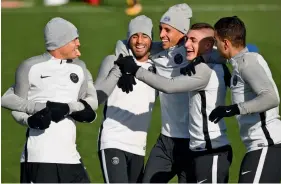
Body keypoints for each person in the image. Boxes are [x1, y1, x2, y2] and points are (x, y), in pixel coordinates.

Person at [115, 22, 233, 183]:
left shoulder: (206, 70)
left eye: (193, 40)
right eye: (187, 39)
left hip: (208, 149)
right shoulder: (197, 61)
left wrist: (135, 70)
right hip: (184, 145)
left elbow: (169, 86)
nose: (187, 44)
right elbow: (124, 44)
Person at [1, 17, 99, 183]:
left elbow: (90, 103)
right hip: (39, 157)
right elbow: (9, 101)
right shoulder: (30, 67)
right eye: (74, 39)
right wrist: (31, 118)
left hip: (71, 158)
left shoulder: (80, 68)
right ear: (61, 42)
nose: (78, 43)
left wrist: (68, 108)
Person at [115, 3, 196, 183]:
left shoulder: (196, 53)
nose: (161, 35)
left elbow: (225, 52)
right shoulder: (159, 51)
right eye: (160, 29)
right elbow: (122, 43)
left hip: (193, 143)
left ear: (182, 31)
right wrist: (127, 62)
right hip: (166, 142)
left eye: (167, 30)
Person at [208, 16, 281, 183]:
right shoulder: (239, 63)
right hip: (259, 147)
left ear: (226, 43)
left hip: (267, 144)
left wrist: (232, 109)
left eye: (216, 41)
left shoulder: (248, 63)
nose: (214, 46)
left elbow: (271, 97)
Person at [94, 15, 157, 183]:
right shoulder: (112, 60)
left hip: (138, 145)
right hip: (113, 141)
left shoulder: (157, 65)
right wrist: (119, 69)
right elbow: (95, 97)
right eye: (134, 36)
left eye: (145, 36)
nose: (139, 41)